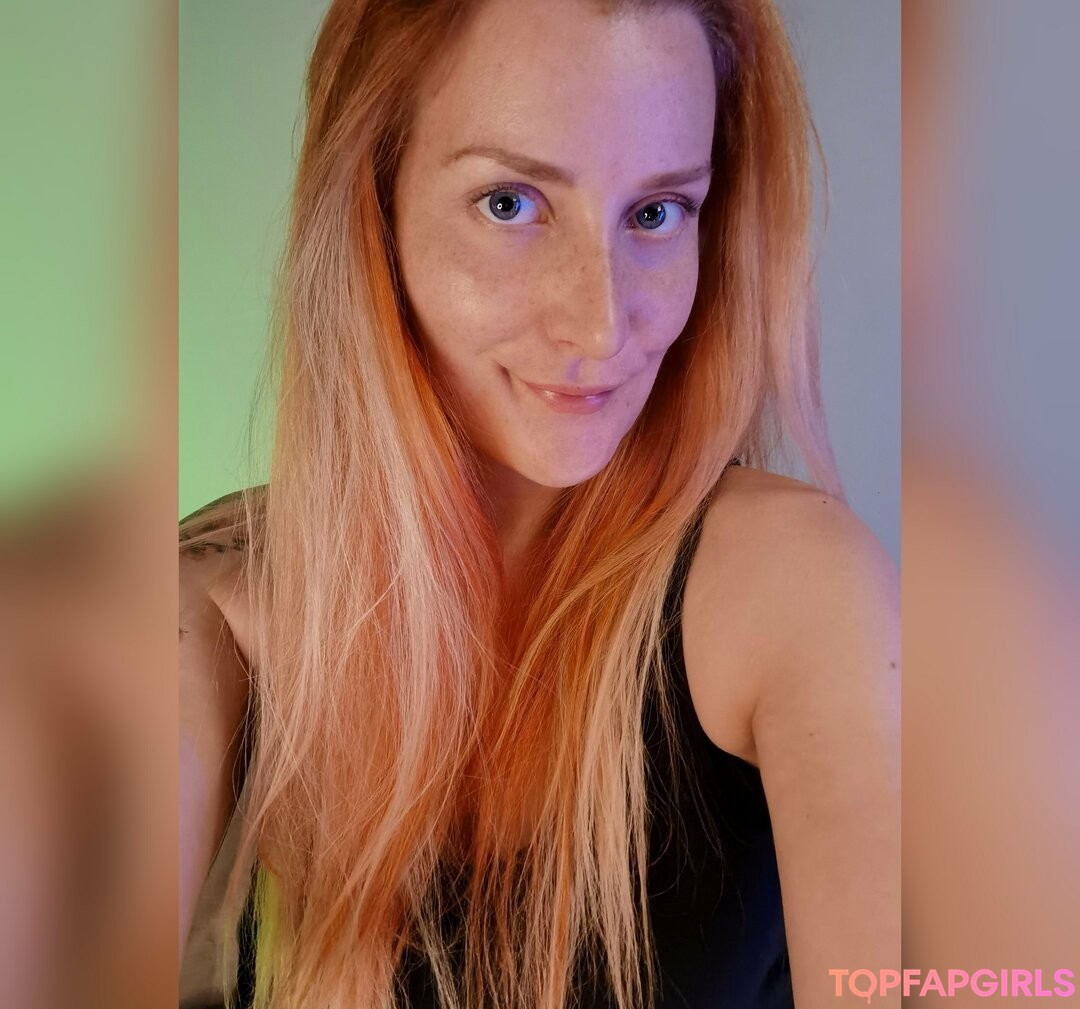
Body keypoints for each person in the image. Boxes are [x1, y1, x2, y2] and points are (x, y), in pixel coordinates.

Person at [180, 0, 899, 1007]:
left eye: (657, 212)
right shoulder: (214, 605)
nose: (601, 325)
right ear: (373, 205)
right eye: (510, 203)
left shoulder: (795, 590)